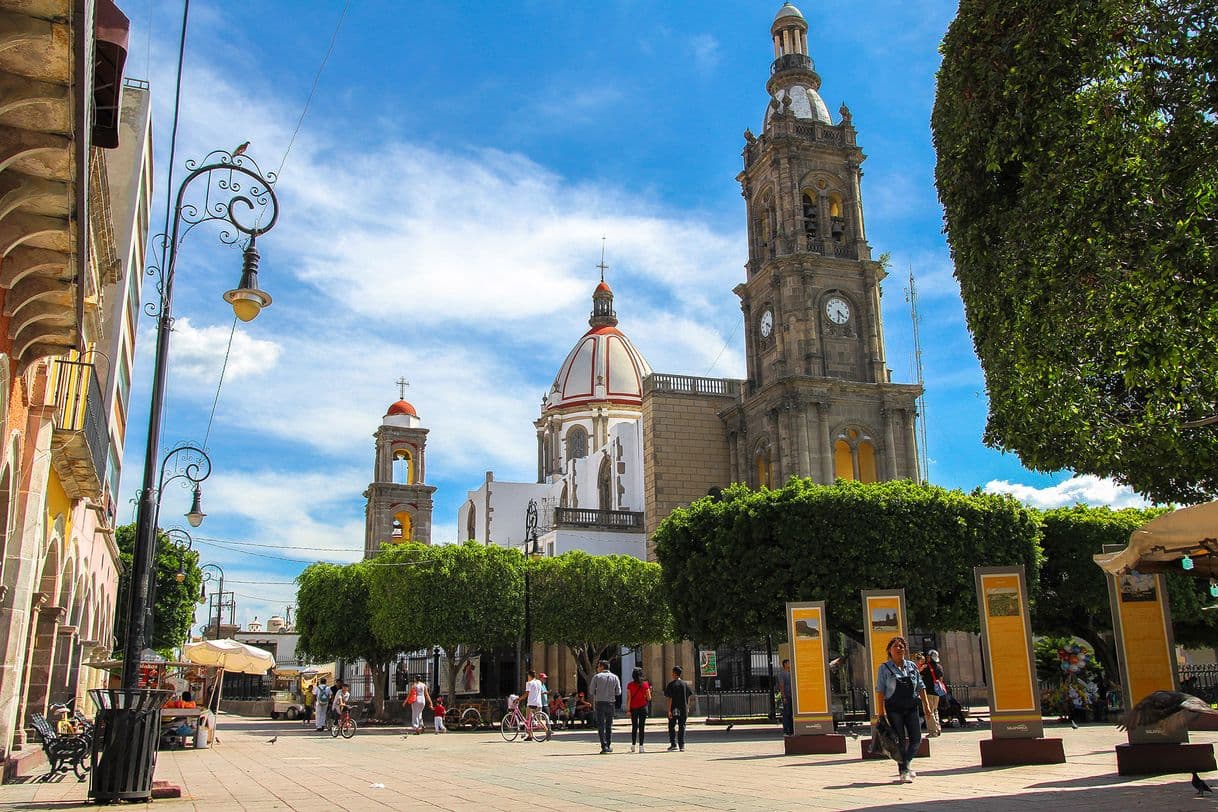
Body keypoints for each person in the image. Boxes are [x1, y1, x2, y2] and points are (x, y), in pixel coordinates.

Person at [876, 636, 933, 784]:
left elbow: (920, 686)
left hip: (911, 705)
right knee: (900, 739)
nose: (899, 649)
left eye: (901, 646)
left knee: (916, 738)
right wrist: (881, 712)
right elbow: (880, 691)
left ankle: (905, 764)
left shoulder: (912, 666)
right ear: (889, 650)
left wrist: (926, 705)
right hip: (894, 707)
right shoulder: (884, 668)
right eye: (896, 646)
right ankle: (904, 771)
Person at [588, 660, 622, 754]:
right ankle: (609, 744)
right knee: (609, 725)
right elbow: (618, 692)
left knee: (601, 725)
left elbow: (591, 691)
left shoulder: (597, 677)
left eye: (598, 666)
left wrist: (599, 692)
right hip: (611, 703)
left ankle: (604, 745)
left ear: (602, 667)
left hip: (600, 703)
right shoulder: (615, 677)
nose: (597, 668)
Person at [664, 665, 694, 752]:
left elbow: (670, 698)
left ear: (674, 673)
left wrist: (669, 710)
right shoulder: (685, 684)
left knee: (672, 726)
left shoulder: (671, 685)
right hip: (683, 708)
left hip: (674, 708)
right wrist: (688, 706)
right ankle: (682, 745)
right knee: (682, 726)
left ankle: (673, 744)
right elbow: (688, 696)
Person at [626, 666, 652, 753]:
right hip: (643, 707)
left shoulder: (630, 685)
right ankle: (641, 746)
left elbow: (629, 698)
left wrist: (628, 710)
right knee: (642, 727)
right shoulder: (645, 685)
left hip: (633, 708)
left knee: (634, 726)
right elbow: (649, 698)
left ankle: (633, 745)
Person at [919, 651, 943, 737]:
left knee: (928, 711)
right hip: (937, 692)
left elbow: (918, 674)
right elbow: (941, 679)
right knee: (935, 710)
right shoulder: (939, 667)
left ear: (930, 657)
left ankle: (933, 731)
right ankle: (938, 728)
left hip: (928, 692)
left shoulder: (926, 667)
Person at [523, 670, 544, 740]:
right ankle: (547, 730)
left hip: (531, 703)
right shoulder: (539, 682)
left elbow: (526, 694)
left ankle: (530, 735)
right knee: (539, 720)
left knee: (528, 720)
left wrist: (519, 699)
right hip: (539, 703)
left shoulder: (529, 683)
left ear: (529, 676)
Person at [776, 659, 794, 736]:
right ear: (785, 664)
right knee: (787, 713)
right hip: (787, 696)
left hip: (792, 696)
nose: (790, 664)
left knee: (791, 713)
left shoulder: (791, 673)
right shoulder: (782, 674)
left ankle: (791, 729)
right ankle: (786, 730)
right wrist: (784, 697)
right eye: (788, 663)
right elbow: (781, 686)